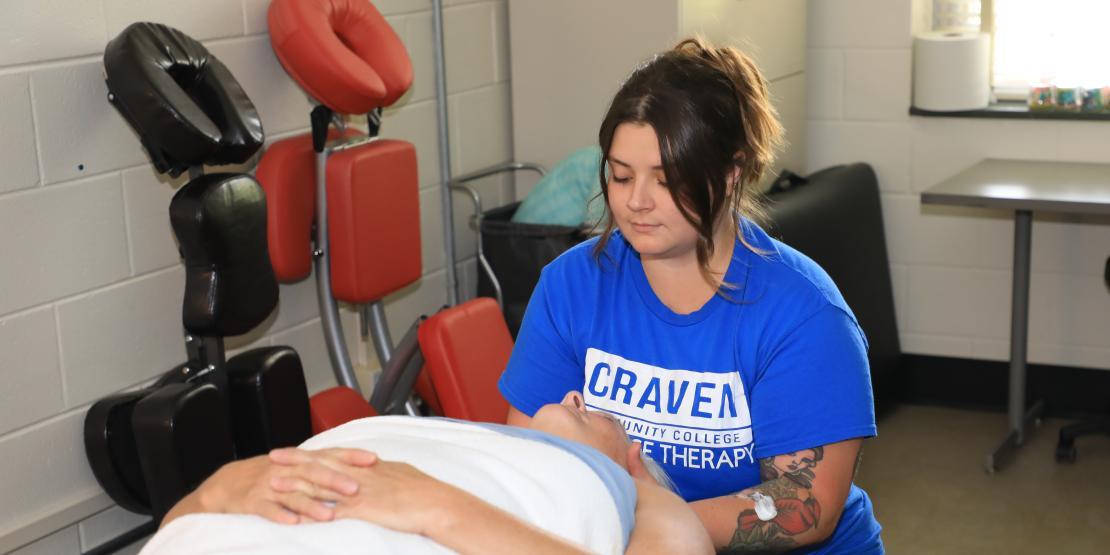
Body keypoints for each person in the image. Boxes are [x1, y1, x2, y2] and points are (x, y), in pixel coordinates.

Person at [497, 38, 884, 553]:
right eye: (620, 175)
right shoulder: (572, 287)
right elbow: (532, 460)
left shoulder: (804, 316)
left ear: (730, 174)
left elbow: (804, 507)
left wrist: (646, 523)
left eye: (666, 179)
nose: (635, 201)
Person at [142, 391, 712, 555]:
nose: (574, 393)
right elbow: (174, 531)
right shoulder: (445, 432)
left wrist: (435, 507)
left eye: (602, 412)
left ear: (633, 458)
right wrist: (215, 489)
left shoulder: (636, 496)